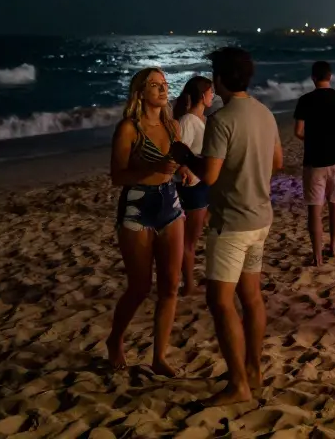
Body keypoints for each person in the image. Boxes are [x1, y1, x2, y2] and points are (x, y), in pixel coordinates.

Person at [172, 46, 282, 405]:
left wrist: (186, 155)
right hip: (260, 217)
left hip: (232, 222)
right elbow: (277, 161)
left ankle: (237, 385)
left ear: (219, 79)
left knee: (219, 301)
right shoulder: (264, 113)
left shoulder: (222, 119)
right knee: (250, 297)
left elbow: (210, 175)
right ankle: (253, 369)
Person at [107, 68, 185, 375]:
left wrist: (184, 171)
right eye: (155, 85)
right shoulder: (129, 129)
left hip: (171, 204)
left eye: (164, 84)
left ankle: (159, 356)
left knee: (170, 286)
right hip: (137, 206)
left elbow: (177, 166)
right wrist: (153, 166)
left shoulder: (173, 126)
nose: (162, 89)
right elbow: (117, 176)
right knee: (139, 287)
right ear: (140, 92)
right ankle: (115, 339)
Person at [293, 61, 335, 267]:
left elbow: (298, 132)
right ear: (330, 76)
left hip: (314, 161)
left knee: (314, 209)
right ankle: (334, 246)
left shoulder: (305, 100)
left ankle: (317, 254)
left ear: (313, 77)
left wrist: (312, 140)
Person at [173, 75, 215, 296]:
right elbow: (177, 152)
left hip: (205, 184)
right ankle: (188, 284)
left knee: (205, 235)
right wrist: (184, 169)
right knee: (190, 240)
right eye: (210, 92)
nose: (213, 95)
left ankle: (200, 279)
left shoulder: (203, 119)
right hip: (194, 188)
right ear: (202, 95)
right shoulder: (187, 121)